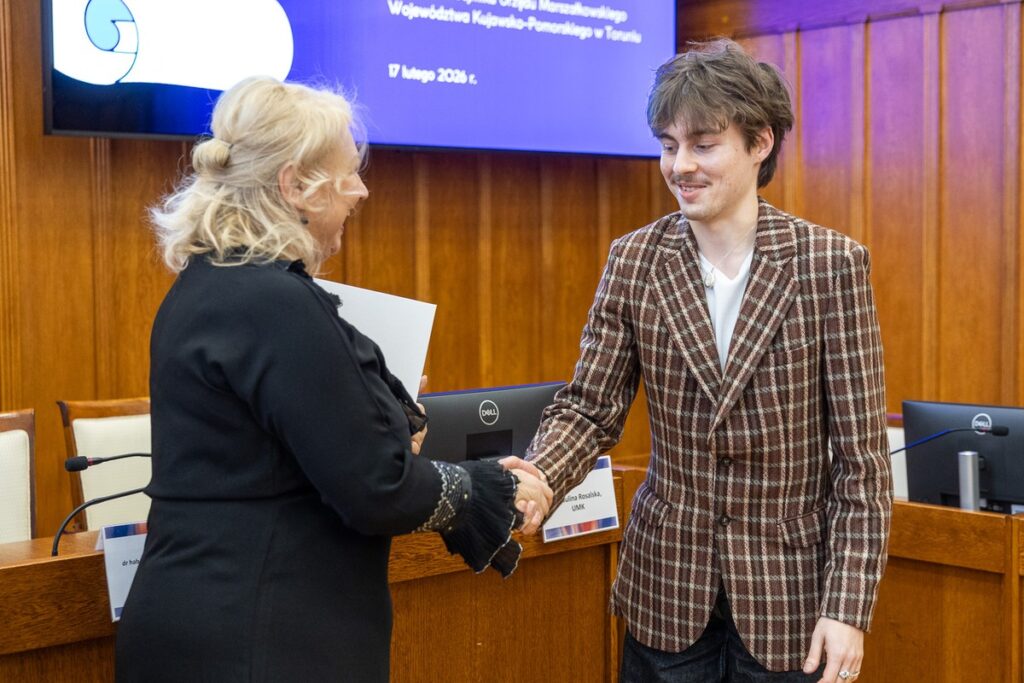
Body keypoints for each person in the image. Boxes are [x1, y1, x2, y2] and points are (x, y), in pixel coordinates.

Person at [115, 77, 552, 683]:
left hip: (207, 624)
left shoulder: (208, 285)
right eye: (349, 173)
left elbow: (290, 457)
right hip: (264, 637)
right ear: (296, 185)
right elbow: (376, 490)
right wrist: (486, 488)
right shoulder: (275, 303)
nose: (361, 189)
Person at [502, 39, 892, 682]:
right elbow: (590, 407)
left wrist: (848, 607)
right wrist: (538, 476)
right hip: (666, 596)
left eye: (703, 144)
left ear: (760, 142)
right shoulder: (635, 260)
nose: (680, 164)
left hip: (791, 603)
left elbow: (862, 462)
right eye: (667, 144)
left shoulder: (831, 265)